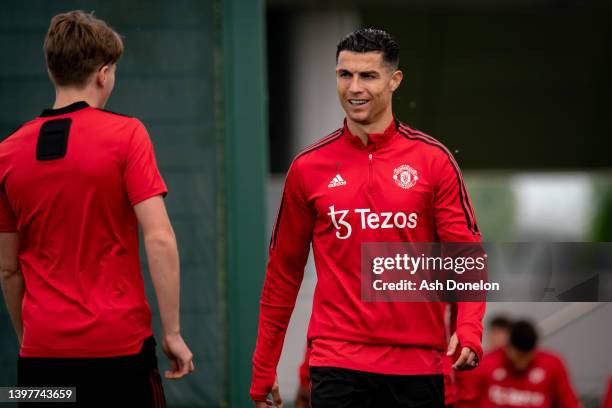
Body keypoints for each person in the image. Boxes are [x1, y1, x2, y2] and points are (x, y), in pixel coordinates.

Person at [251, 28, 485, 407]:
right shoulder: (308, 168)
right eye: (345, 75)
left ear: (395, 80)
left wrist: (469, 328)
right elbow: (283, 272)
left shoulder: (434, 161)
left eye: (368, 76)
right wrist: (264, 366)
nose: (354, 87)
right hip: (336, 362)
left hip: (417, 366)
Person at [0, 10, 193, 407]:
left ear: (52, 70)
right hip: (119, 354)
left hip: (39, 359)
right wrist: (172, 332)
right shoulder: (127, 135)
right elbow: (159, 237)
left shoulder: (6, 153)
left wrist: (33, 341)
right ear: (104, 74)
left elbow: (7, 268)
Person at [475, 320, 580, 408]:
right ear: (508, 347)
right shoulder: (487, 362)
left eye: (527, 356)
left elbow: (570, 403)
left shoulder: (552, 364)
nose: (522, 362)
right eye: (518, 356)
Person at [456, 315, 513, 407]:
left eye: (500, 334)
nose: (496, 338)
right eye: (493, 333)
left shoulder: (515, 367)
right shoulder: (477, 362)